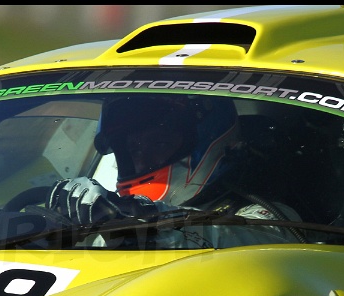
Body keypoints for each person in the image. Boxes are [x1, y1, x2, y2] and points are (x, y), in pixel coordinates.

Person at [46, 94, 305, 247]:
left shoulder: (273, 221)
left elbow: (227, 239)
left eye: (159, 144)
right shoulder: (112, 222)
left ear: (210, 143)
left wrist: (135, 219)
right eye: (132, 150)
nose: (141, 159)